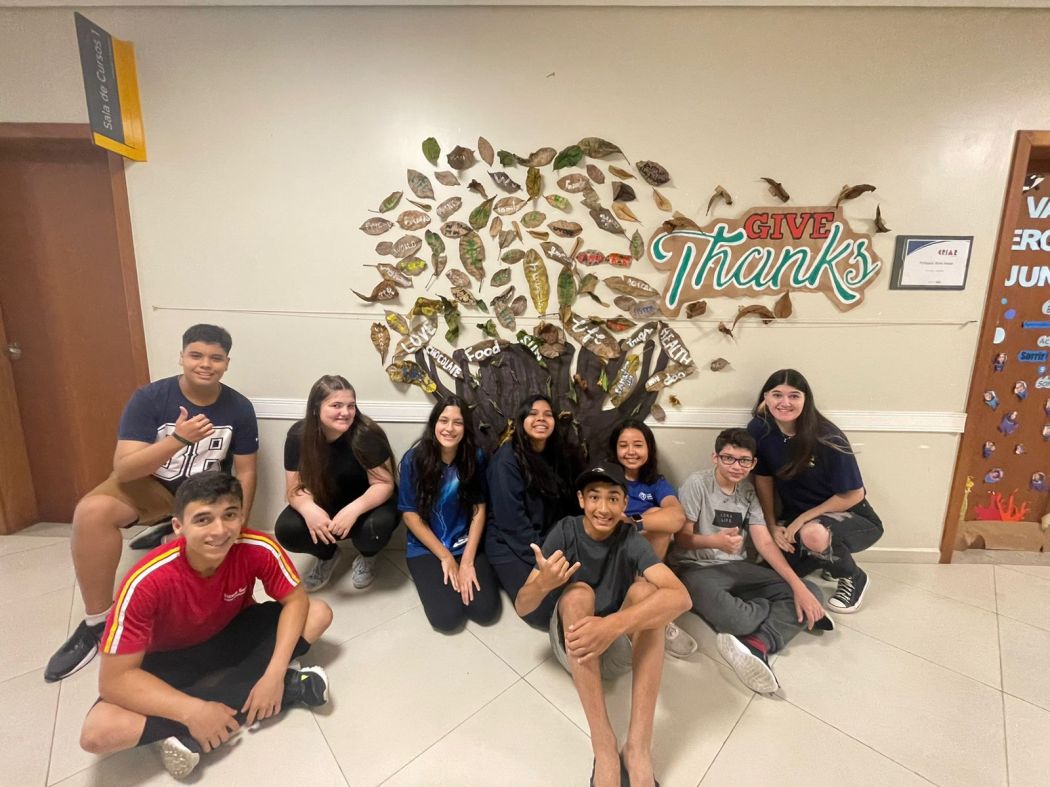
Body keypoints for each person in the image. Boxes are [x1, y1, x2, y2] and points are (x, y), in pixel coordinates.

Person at [77, 472, 333, 780]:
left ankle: (251, 697)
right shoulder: (145, 580)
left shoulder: (258, 546)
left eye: (230, 515)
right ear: (178, 527)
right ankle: (283, 689)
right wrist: (192, 712)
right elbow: (114, 681)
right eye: (203, 519)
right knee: (99, 732)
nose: (220, 530)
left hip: (230, 632)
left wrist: (274, 675)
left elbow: (297, 601)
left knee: (318, 613)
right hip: (169, 656)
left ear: (242, 517)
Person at [46, 324, 259, 684]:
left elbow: (247, 471)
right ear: (181, 357)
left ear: (226, 363)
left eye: (215, 358)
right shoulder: (151, 398)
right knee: (91, 512)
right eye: (196, 355)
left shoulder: (238, 406)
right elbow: (125, 469)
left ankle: (173, 534)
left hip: (202, 492)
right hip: (149, 484)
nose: (205, 364)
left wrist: (239, 523)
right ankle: (97, 623)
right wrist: (178, 439)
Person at [515, 463, 690, 787]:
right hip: (575, 645)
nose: (603, 508)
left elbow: (681, 598)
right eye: (594, 497)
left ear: (624, 504)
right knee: (578, 593)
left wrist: (610, 626)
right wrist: (543, 584)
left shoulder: (630, 538)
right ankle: (604, 746)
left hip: (613, 641)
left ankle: (637, 748)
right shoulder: (566, 531)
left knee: (647, 594)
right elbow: (522, 606)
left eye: (613, 498)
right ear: (581, 500)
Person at [671, 428, 831, 694]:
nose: (736, 466)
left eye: (744, 460)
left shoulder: (747, 491)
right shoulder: (697, 484)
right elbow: (681, 539)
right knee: (738, 621)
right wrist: (715, 542)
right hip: (695, 568)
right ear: (715, 458)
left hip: (738, 567)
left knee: (812, 591)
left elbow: (764, 543)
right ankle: (783, 617)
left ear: (753, 463)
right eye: (728, 458)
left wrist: (798, 587)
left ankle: (758, 643)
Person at [748, 369, 883, 613]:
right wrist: (771, 525)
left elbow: (854, 494)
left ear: (806, 399)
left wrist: (802, 519)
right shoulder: (760, 429)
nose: (785, 402)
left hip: (853, 516)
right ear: (765, 397)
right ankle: (825, 560)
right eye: (777, 394)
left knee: (813, 534)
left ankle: (853, 576)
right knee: (769, 574)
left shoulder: (827, 437)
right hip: (796, 518)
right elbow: (763, 478)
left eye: (794, 396)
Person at [274, 375, 399, 592]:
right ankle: (328, 556)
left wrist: (354, 510)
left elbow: (384, 484)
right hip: (326, 501)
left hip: (369, 504)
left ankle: (367, 556)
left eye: (351, 405)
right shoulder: (298, 436)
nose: (346, 412)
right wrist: (308, 509)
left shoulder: (366, 434)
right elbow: (294, 487)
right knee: (287, 530)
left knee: (374, 530)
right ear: (316, 408)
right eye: (336, 405)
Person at [398, 396, 501, 631]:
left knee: (485, 612)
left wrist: (467, 561)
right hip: (426, 547)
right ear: (434, 423)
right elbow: (410, 516)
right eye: (444, 420)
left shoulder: (475, 457)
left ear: (465, 428)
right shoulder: (413, 459)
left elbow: (479, 509)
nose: (450, 428)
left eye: (458, 422)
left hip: (465, 543)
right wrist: (446, 557)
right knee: (448, 619)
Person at [486, 394, 583, 627]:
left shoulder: (559, 455)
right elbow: (512, 524)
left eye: (548, 414)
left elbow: (569, 505)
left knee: (579, 589)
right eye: (533, 414)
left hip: (547, 538)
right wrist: (544, 561)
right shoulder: (506, 460)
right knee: (542, 612)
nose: (541, 419)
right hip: (509, 542)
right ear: (521, 421)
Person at [609, 419, 697, 659]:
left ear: (649, 449)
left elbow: (677, 517)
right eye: (623, 445)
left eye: (638, 445)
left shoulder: (657, 483)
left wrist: (635, 522)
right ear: (615, 449)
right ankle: (655, 613)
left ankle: (645, 598)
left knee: (662, 521)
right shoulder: (607, 478)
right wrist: (643, 521)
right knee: (658, 517)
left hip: (640, 547)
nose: (630, 451)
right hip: (612, 544)